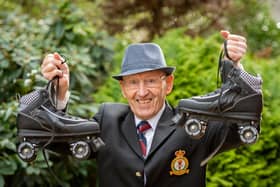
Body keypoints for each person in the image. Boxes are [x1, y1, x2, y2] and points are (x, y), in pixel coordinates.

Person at [40, 30, 261, 187]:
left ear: (169, 84)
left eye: (151, 81)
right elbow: (56, 139)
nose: (142, 91)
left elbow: (241, 128)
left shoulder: (193, 124)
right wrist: (58, 91)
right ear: (123, 89)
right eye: (133, 82)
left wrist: (234, 67)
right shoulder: (107, 121)